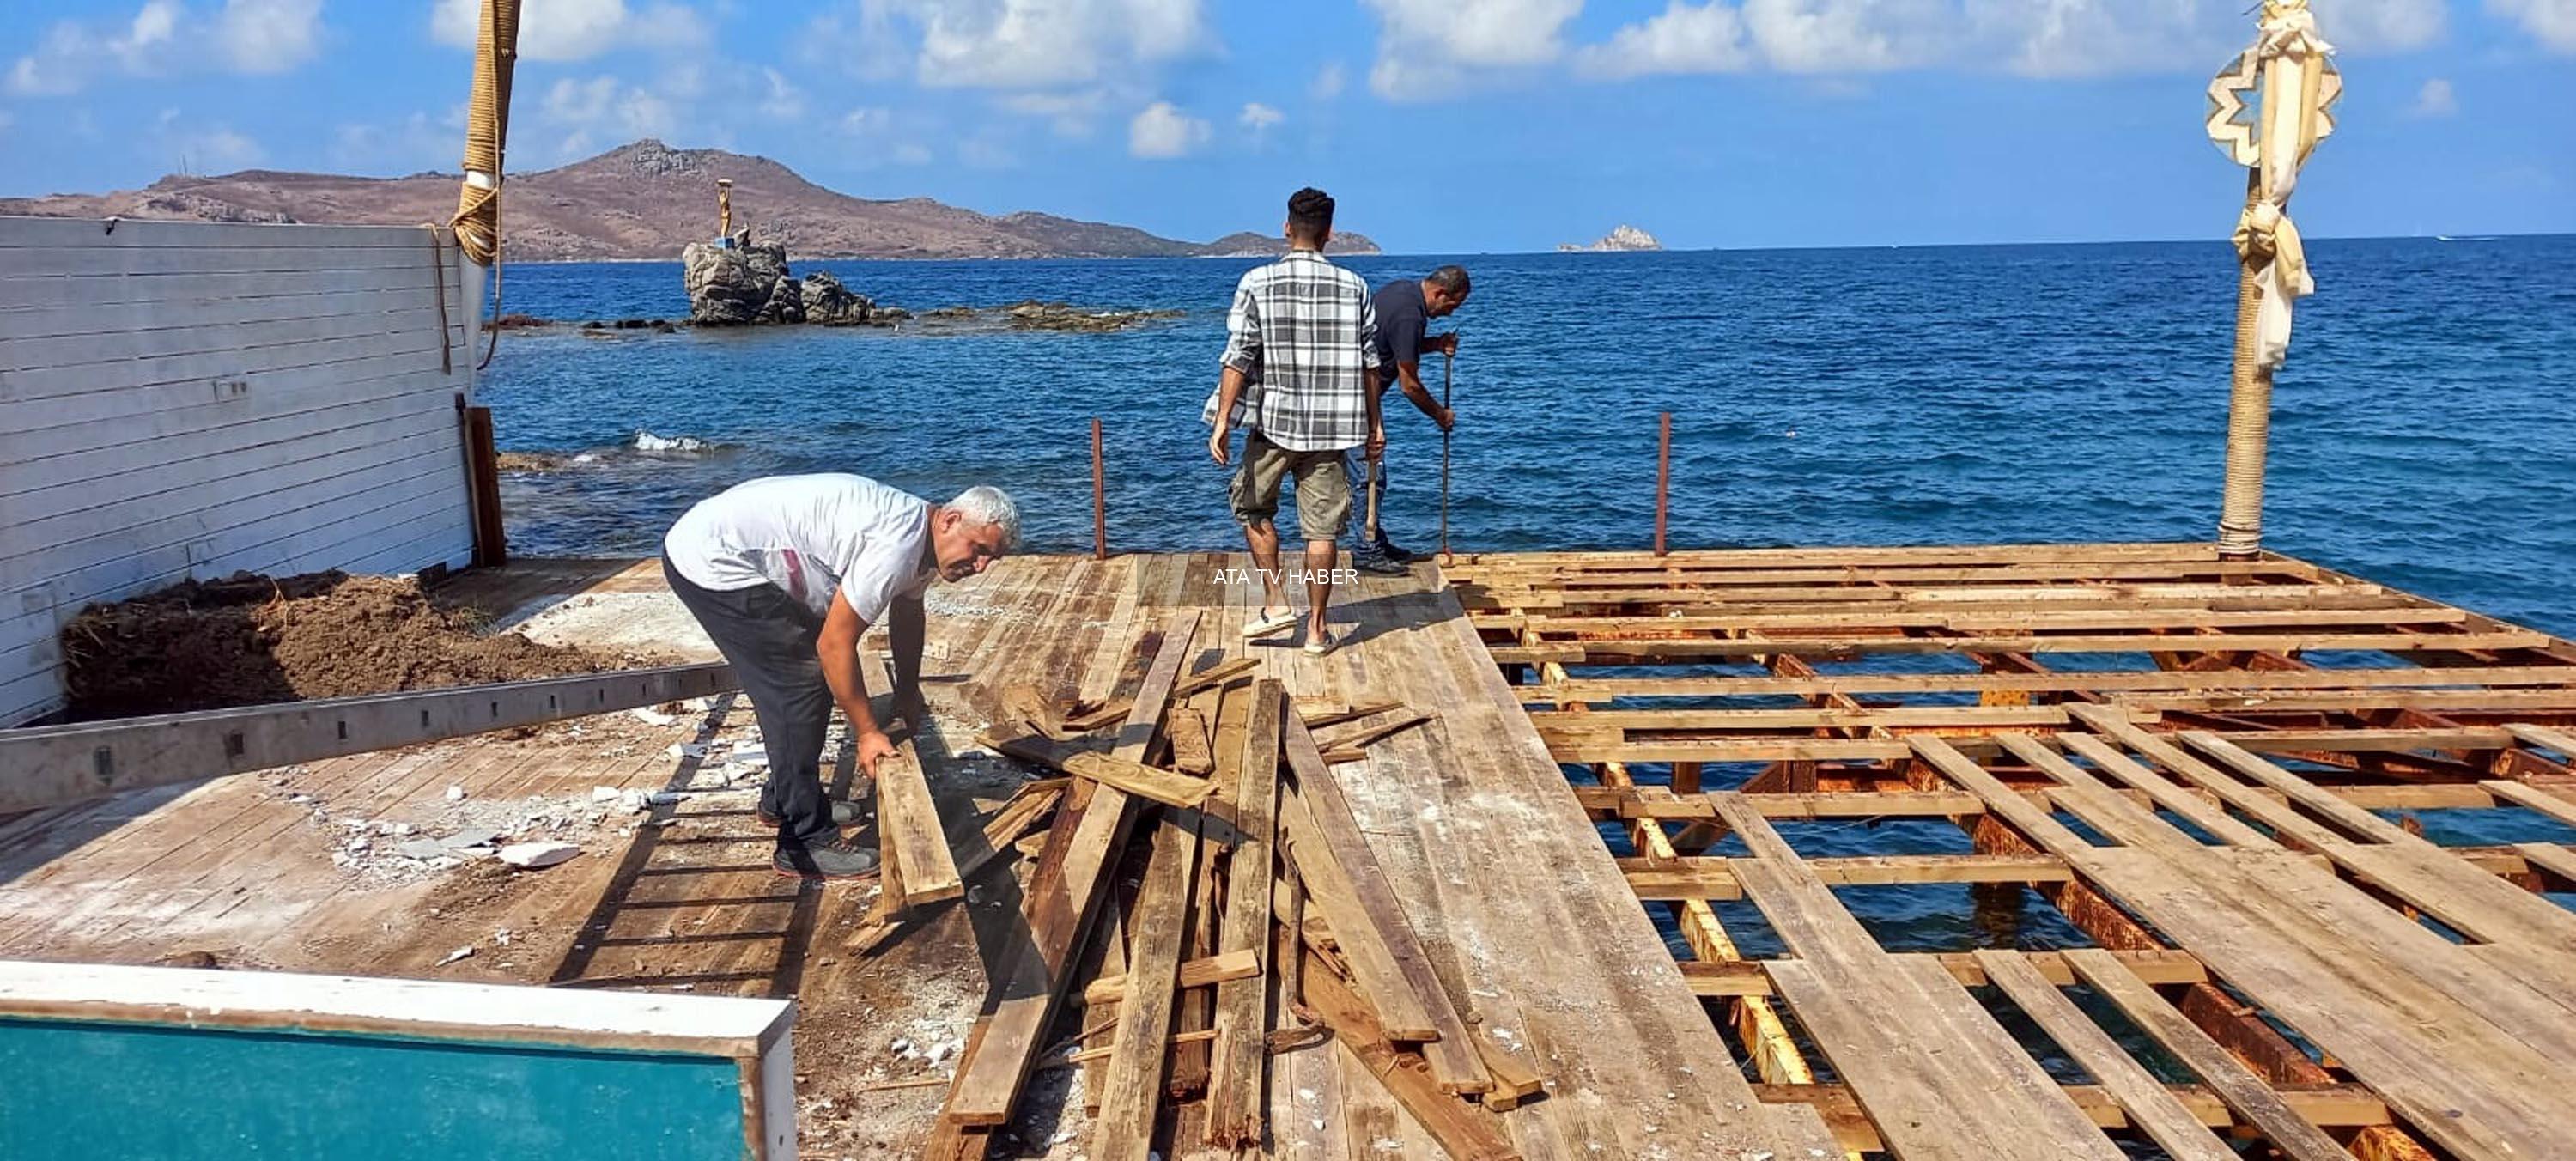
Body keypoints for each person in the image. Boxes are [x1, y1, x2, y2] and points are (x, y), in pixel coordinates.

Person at [661, 474, 1018, 881]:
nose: (982, 567)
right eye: (979, 550)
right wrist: (867, 732)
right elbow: (835, 645)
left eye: (993, 559)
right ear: (950, 520)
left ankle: (785, 800)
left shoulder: (925, 540)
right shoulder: (898, 546)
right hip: (713, 559)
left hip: (729, 544)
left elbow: (907, 613)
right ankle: (803, 840)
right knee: (799, 683)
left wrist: (906, 691)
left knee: (807, 676)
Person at [1205, 186, 1384, 656]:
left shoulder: (1256, 282)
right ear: (1329, 233)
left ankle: (1276, 601)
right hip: (1333, 429)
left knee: (1255, 509)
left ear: (1287, 228)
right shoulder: (1355, 287)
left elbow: (1238, 357)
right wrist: (1375, 425)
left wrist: (1223, 420)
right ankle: (1318, 630)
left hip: (1272, 424)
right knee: (1322, 531)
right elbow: (1371, 364)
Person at [1350, 265, 1471, 574]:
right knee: (1369, 473)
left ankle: (1374, 537)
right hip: (1354, 397)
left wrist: (1433, 344)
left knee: (1371, 471)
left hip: (1360, 391)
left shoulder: (1403, 291)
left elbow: (1395, 343)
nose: (1449, 314)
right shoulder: (1411, 316)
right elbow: (1410, 385)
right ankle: (1366, 549)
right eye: (1451, 305)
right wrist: (1440, 415)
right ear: (1440, 293)